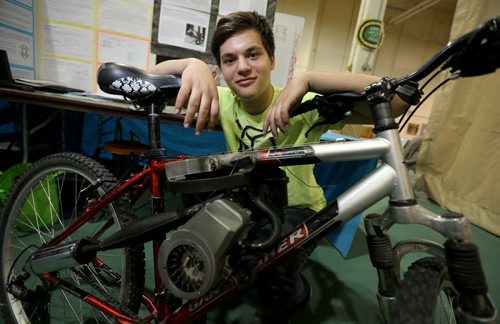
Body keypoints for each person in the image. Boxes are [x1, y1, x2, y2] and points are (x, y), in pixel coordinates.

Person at [151, 11, 406, 323]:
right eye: (229, 60)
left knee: (264, 279)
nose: (242, 67)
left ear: (272, 58)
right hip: (246, 201)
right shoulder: (223, 101)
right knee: (191, 255)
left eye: (253, 54)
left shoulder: (301, 102)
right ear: (222, 70)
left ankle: (293, 299)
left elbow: (397, 101)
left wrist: (306, 79)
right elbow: (147, 74)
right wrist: (194, 65)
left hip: (298, 207)